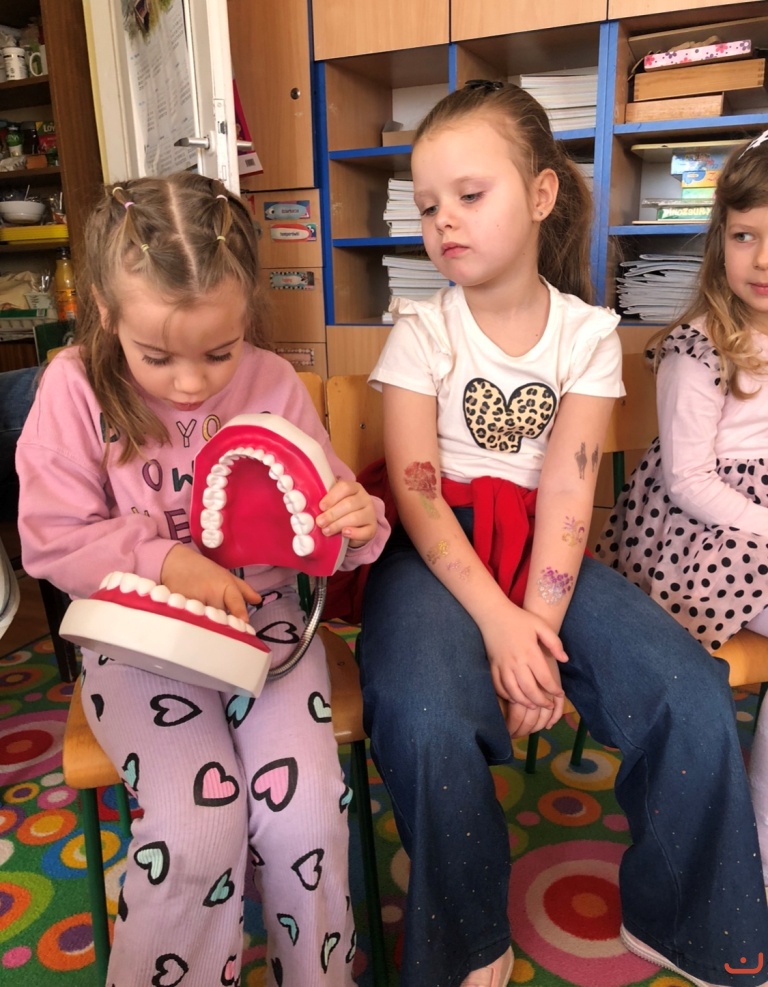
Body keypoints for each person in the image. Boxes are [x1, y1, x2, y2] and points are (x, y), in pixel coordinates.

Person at [357, 81, 768, 987]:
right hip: (438, 553)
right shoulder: (420, 330)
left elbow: (570, 493)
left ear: (542, 194)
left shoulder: (587, 333)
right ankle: (469, 937)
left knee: (690, 692)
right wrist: (500, 625)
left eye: (470, 194)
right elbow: (419, 500)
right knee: (425, 714)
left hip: (551, 549)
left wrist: (536, 628)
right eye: (428, 205)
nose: (443, 220)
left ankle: (683, 921)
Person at [15, 172, 390, 987]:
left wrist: (357, 523)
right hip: (137, 637)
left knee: (305, 815)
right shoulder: (73, 387)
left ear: (247, 313)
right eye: (157, 356)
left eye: (219, 352)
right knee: (196, 826)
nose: (190, 383)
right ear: (105, 312)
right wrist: (165, 560)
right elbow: (50, 539)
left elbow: (326, 526)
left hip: (267, 627)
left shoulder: (273, 382)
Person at [596, 128, 768, 895]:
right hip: (698, 541)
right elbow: (688, 481)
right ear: (719, 239)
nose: (761, 260)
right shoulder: (699, 348)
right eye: (745, 236)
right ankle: (755, 845)